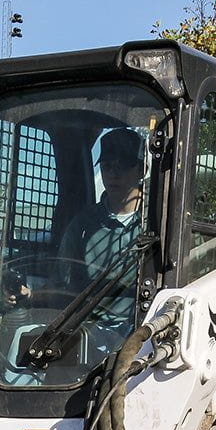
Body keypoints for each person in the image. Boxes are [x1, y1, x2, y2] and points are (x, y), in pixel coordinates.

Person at [57, 125, 147, 319]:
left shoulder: (155, 222)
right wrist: (30, 294)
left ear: (142, 170)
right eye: (107, 166)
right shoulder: (83, 225)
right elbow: (63, 278)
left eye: (122, 165)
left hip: (141, 326)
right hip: (89, 326)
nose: (114, 174)